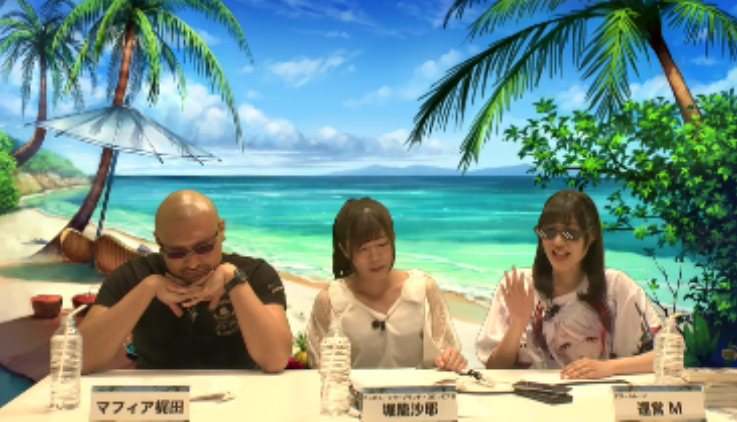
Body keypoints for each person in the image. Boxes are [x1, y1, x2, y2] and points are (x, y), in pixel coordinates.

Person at [79, 190, 292, 373]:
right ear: (158, 241)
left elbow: (276, 360)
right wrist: (148, 289)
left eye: (204, 247)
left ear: (221, 231)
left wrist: (233, 280)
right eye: (176, 252)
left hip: (240, 395)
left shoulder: (254, 274)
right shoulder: (134, 276)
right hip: (158, 397)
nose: (192, 264)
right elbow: (81, 360)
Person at [476, 189, 661, 379]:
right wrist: (517, 324)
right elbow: (494, 368)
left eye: (570, 233)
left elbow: (667, 356)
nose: (558, 242)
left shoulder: (617, 287)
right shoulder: (519, 287)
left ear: (592, 236)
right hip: (530, 396)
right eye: (549, 232)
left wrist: (608, 367)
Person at [306, 197, 466, 372]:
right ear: (344, 250)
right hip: (353, 390)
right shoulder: (331, 301)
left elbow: (444, 351)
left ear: (393, 239)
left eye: (382, 244)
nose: (375, 257)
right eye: (363, 249)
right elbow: (318, 367)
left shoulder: (422, 290)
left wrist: (450, 359)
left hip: (417, 389)